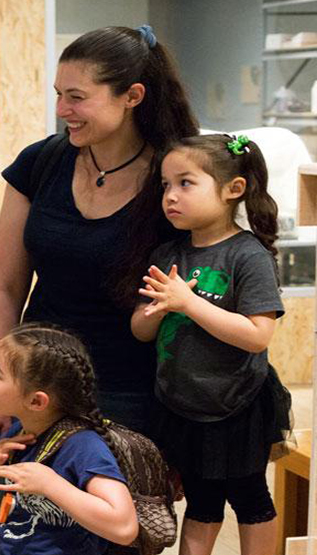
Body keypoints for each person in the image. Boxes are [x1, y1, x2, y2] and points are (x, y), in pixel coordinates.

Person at [0, 25, 198, 555]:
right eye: (58, 96)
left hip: (131, 395)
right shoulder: (40, 163)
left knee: (105, 541)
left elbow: (192, 306)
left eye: (77, 97)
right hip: (35, 388)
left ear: (132, 96)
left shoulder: (175, 181)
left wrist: (182, 431)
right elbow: (4, 287)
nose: (63, 110)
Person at [131, 134, 293, 555]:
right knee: (201, 504)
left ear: (233, 190)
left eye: (185, 183)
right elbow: (140, 331)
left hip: (238, 406)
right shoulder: (169, 252)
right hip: (182, 406)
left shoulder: (248, 255)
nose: (170, 196)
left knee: (250, 499)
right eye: (165, 185)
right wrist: (159, 310)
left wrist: (188, 303)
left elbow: (259, 335)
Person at [0, 324, 137, 555]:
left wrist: (51, 485)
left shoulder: (83, 446)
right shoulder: (20, 433)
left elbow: (125, 527)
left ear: (36, 402)